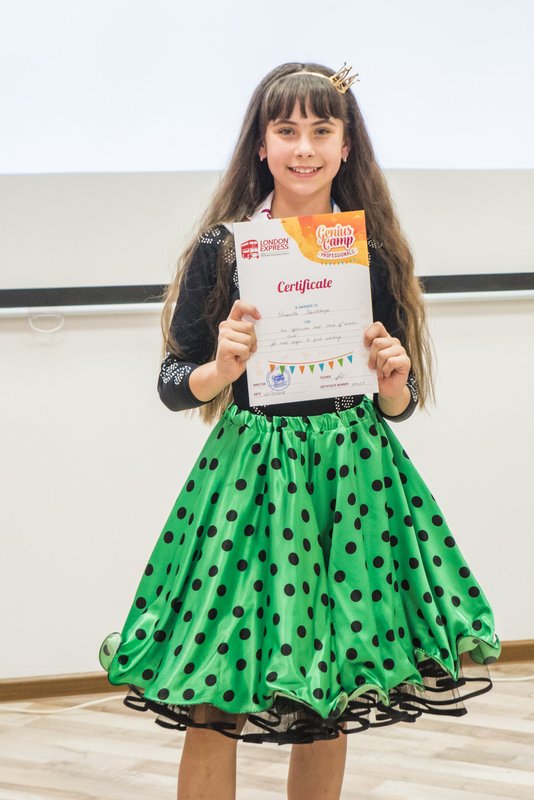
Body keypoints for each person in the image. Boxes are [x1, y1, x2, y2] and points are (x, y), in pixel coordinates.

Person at [99, 62, 501, 800]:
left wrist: (394, 385)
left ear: (347, 146)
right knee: (214, 687)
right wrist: (220, 369)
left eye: (322, 130)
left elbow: (400, 401)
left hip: (353, 479)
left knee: (334, 690)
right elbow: (172, 382)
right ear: (261, 144)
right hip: (250, 481)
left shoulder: (372, 250)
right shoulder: (225, 248)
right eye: (286, 130)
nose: (304, 147)